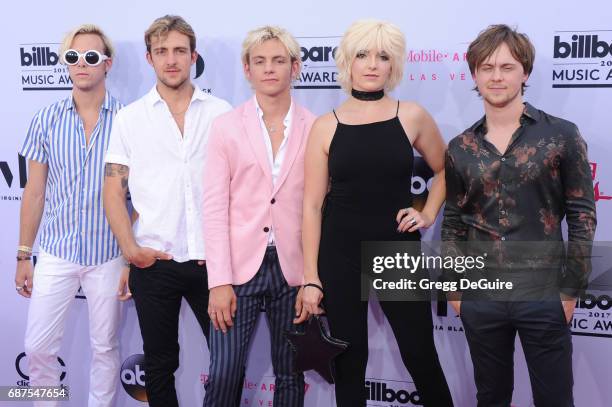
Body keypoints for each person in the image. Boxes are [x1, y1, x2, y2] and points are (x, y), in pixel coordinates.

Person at [301, 19, 454, 407]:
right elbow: (313, 205)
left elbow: (446, 171)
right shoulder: (324, 126)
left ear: (394, 65)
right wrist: (311, 278)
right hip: (340, 254)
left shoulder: (412, 115)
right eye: (363, 55)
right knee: (350, 362)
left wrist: (428, 212)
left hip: (396, 250)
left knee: (420, 354)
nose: (372, 64)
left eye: (383, 56)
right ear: (347, 62)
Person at [442, 24, 596, 407]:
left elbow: (582, 214)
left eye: (507, 67)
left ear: (524, 73)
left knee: (555, 398)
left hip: (543, 292)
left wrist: (570, 288)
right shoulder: (460, 146)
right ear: (474, 74)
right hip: (481, 295)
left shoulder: (560, 135)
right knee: (491, 397)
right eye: (487, 67)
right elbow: (453, 220)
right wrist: (454, 289)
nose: (496, 76)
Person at [103, 15, 231, 407]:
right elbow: (112, 190)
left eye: (179, 51)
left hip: (213, 263)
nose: (171, 59)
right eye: (162, 51)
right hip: (153, 262)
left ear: (194, 57)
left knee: (228, 362)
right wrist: (130, 251)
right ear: (149, 58)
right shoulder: (130, 119)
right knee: (159, 365)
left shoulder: (221, 112)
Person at [202, 25, 315, 407]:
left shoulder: (317, 127)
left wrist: (313, 278)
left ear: (295, 67)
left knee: (291, 375)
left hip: (294, 269)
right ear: (247, 69)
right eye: (260, 61)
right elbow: (214, 208)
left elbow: (322, 207)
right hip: (237, 269)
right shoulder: (226, 127)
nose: (269, 69)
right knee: (223, 373)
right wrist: (218, 281)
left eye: (279, 61)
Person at [15, 24, 123, 407]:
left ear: (106, 64)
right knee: (37, 346)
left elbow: (138, 195)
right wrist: (24, 254)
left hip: (109, 253)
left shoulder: (128, 121)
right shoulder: (46, 119)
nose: (81, 64)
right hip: (57, 250)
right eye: (73, 57)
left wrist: (129, 256)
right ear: (64, 63)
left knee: (105, 348)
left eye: (91, 57)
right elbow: (34, 191)